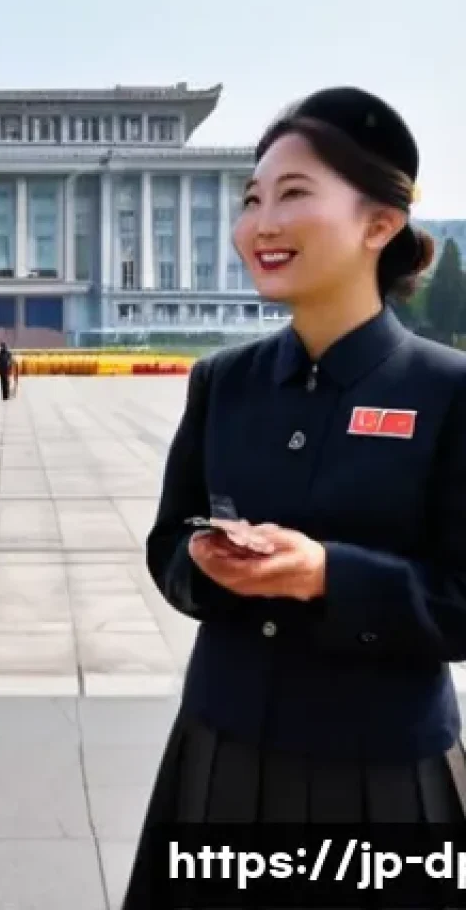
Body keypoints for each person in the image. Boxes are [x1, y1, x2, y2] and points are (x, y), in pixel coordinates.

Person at [121, 87, 466, 908]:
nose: (259, 224)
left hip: (387, 783)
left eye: (294, 195)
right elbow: (168, 542)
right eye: (252, 199)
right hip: (223, 759)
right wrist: (201, 564)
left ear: (380, 224)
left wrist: (325, 575)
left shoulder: (448, 392)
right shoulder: (224, 383)